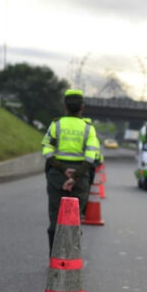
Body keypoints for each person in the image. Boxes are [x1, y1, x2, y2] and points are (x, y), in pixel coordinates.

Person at [42, 90, 100, 251]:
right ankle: (69, 260)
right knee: (74, 219)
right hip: (80, 177)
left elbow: (47, 151)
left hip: (56, 175)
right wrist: (75, 176)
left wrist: (63, 170)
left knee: (55, 217)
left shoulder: (56, 125)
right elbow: (91, 157)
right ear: (82, 107)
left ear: (65, 106)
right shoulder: (89, 128)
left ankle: (54, 258)